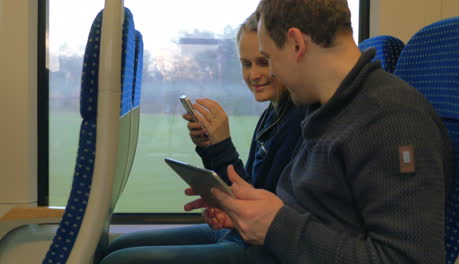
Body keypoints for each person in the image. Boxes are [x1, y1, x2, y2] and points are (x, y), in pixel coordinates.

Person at [187, 0, 453, 263]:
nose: (270, 72)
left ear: (296, 44)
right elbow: (319, 216)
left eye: (268, 59)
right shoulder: (327, 111)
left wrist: (275, 225)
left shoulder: (392, 120)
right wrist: (254, 213)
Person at [99, 13, 306, 264]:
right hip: (240, 232)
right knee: (117, 245)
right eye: (246, 64)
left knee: (119, 261)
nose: (254, 75)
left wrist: (222, 146)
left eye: (263, 62)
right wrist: (210, 148)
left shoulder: (299, 122)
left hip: (261, 249)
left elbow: (269, 211)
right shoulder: (272, 114)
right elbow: (252, 188)